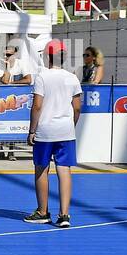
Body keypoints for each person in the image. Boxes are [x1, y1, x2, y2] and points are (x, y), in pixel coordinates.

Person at [25, 41, 82, 228]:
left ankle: (43, 211)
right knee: (64, 170)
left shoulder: (42, 77)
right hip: (65, 130)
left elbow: (37, 106)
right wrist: (71, 124)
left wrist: (32, 130)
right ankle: (64, 214)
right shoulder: (72, 78)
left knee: (41, 169)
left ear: (47, 56)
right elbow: (77, 107)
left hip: (45, 130)